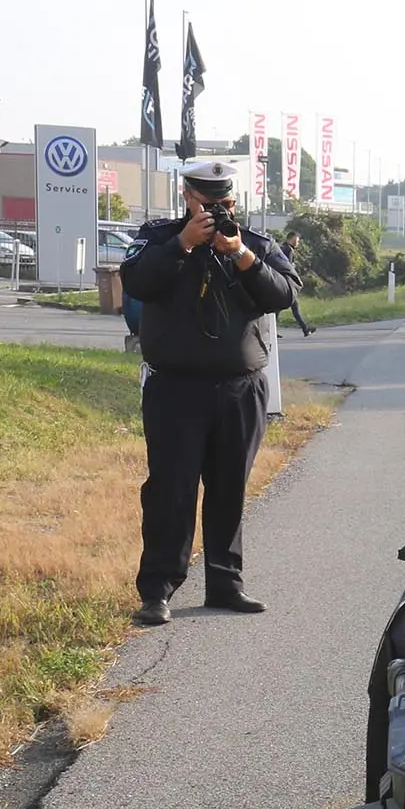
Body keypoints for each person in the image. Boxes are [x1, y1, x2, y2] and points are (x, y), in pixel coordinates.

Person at [118, 160, 300, 627]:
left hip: (240, 390)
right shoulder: (159, 238)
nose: (216, 211)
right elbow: (136, 282)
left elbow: (283, 295)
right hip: (175, 390)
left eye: (225, 203)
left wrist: (239, 253)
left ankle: (226, 582)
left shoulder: (254, 244)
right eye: (207, 203)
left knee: (229, 490)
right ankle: (157, 590)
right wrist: (185, 244)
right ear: (187, 197)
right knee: (170, 491)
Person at [279, 231, 315, 336]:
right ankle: (305, 329)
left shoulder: (282, 248)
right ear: (293, 238)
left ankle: (305, 328)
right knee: (294, 307)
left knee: (282, 307)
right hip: (288, 283)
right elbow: (288, 267)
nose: (298, 243)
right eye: (297, 240)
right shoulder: (288, 250)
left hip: (283, 282)